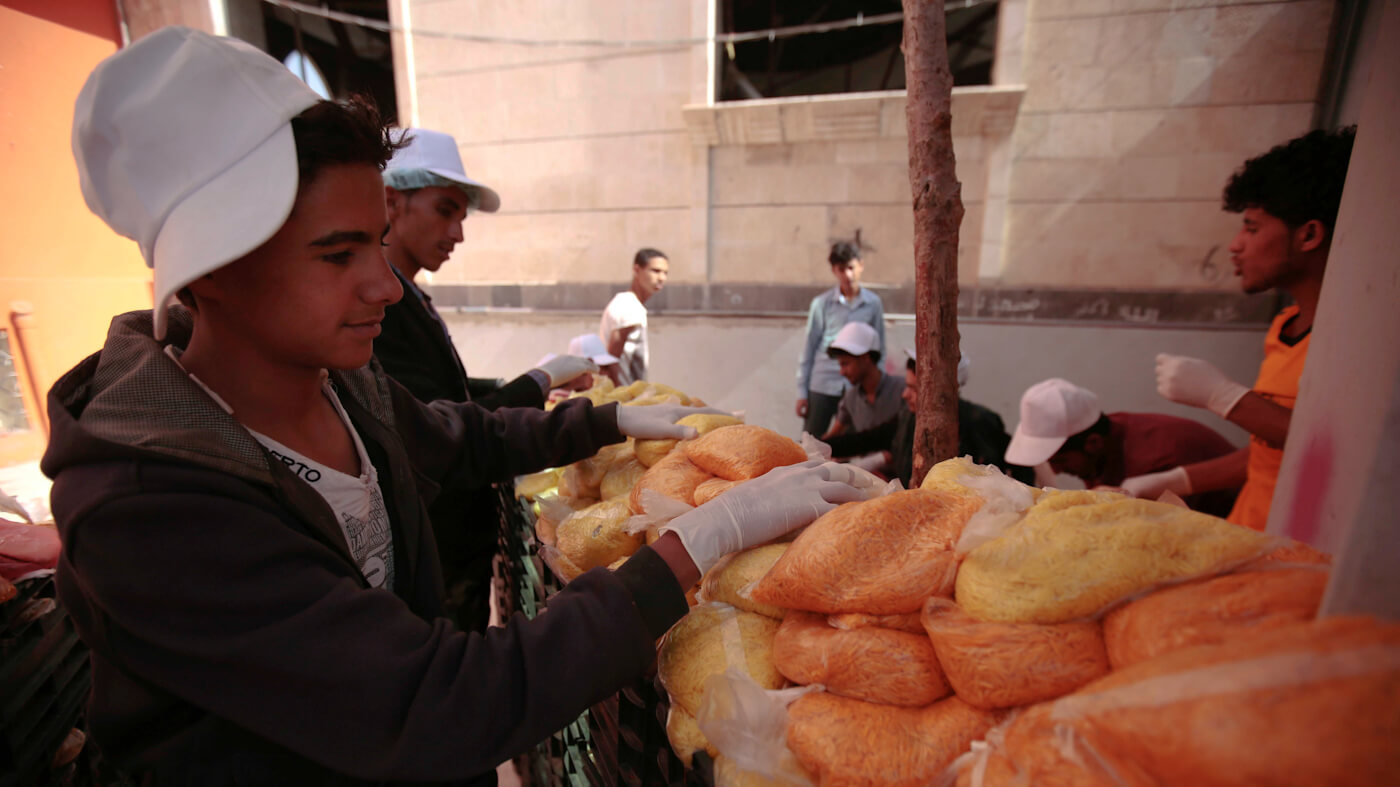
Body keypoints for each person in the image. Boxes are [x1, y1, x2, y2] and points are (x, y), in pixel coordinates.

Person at [47, 29, 862, 784]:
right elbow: (433, 700)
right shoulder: (153, 507)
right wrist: (697, 542)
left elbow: (454, 436)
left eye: (375, 239)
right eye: (337, 254)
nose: (382, 284)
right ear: (213, 272)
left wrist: (606, 419)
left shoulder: (339, 383)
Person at [375, 128, 596, 632]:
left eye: (461, 216)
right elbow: (435, 424)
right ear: (392, 202)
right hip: (439, 550)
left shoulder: (410, 298)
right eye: (445, 210)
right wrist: (537, 384)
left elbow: (445, 395)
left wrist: (534, 383)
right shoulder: (380, 308)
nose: (458, 233)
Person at [1151, 128, 1356, 530]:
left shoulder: (1351, 345)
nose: (1235, 245)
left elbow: (1343, 453)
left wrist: (1226, 398)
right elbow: (1271, 453)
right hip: (1254, 532)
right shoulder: (1285, 327)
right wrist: (1175, 481)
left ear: (1309, 234)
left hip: (1304, 553)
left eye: (1252, 228)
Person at [1005, 379, 1240, 516]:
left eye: (1061, 461)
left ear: (1093, 443)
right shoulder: (1104, 441)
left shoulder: (1154, 459)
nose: (1055, 472)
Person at [825, 349, 1032, 486]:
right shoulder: (909, 418)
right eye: (907, 387)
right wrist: (817, 446)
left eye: (914, 389)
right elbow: (867, 439)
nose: (905, 395)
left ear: (942, 392)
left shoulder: (979, 421)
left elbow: (1021, 465)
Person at [796, 241, 886, 438]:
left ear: (861, 265)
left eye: (851, 268)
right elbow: (809, 348)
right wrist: (802, 393)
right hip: (823, 383)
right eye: (841, 269)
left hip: (856, 386)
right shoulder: (821, 303)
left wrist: (878, 388)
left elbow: (880, 349)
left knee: (850, 443)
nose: (847, 275)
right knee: (812, 442)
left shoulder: (873, 303)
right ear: (834, 271)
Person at [822, 322, 904, 441]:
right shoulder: (850, 399)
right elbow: (831, 438)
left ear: (865, 358)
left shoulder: (903, 390)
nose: (842, 372)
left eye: (845, 364)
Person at [599, 248, 668, 385]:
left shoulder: (630, 303)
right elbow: (610, 359)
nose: (661, 278)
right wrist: (620, 395)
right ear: (637, 270)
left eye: (665, 273)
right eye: (655, 271)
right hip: (624, 398)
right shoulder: (630, 306)